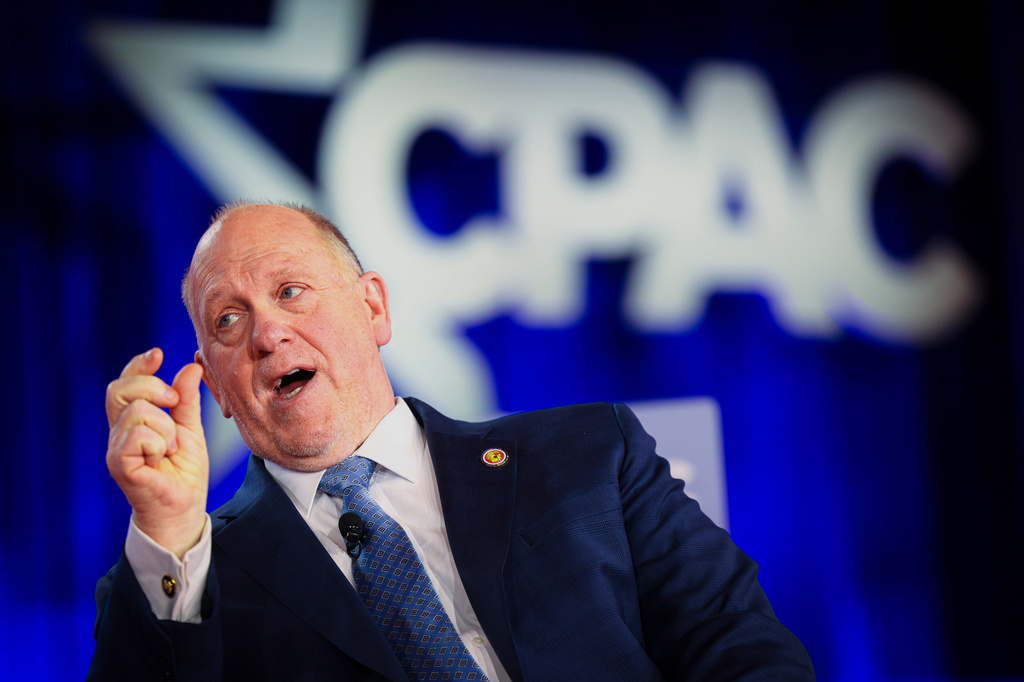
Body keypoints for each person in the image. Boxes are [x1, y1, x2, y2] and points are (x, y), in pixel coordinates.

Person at [88, 201, 815, 681]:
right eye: (227, 321)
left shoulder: (592, 452)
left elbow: (738, 648)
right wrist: (169, 528)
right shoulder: (189, 573)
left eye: (290, 291)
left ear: (373, 306)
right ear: (212, 385)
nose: (268, 333)